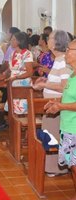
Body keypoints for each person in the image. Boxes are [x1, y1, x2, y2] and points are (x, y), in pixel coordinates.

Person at [44, 40, 76, 200]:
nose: (67, 52)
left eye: (70, 49)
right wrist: (56, 102)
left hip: (75, 127)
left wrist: (61, 107)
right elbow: (68, 98)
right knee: (73, 166)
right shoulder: (72, 74)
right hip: (68, 126)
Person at [33, 30, 71, 176]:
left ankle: (56, 168)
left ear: (57, 42)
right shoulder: (57, 59)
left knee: (53, 135)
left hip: (58, 106)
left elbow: (64, 86)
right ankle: (51, 166)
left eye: (49, 38)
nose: (47, 40)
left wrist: (45, 85)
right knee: (50, 134)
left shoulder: (62, 61)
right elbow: (57, 81)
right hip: (51, 104)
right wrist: (46, 81)